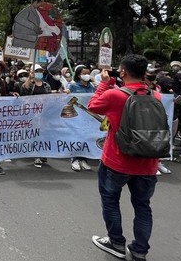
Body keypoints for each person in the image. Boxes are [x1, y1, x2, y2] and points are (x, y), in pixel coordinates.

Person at [88, 55, 160, 261]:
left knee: (110, 201)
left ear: (122, 72)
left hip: (117, 161)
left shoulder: (115, 95)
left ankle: (116, 242)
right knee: (143, 206)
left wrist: (104, 84)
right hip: (148, 163)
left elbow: (93, 106)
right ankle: (139, 250)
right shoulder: (156, 96)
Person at [68, 65, 96, 172]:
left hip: (88, 116)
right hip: (76, 115)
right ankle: (75, 159)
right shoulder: (73, 86)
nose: (87, 75)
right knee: (77, 136)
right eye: (84, 73)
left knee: (86, 137)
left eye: (88, 73)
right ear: (79, 75)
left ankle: (84, 159)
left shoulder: (92, 87)